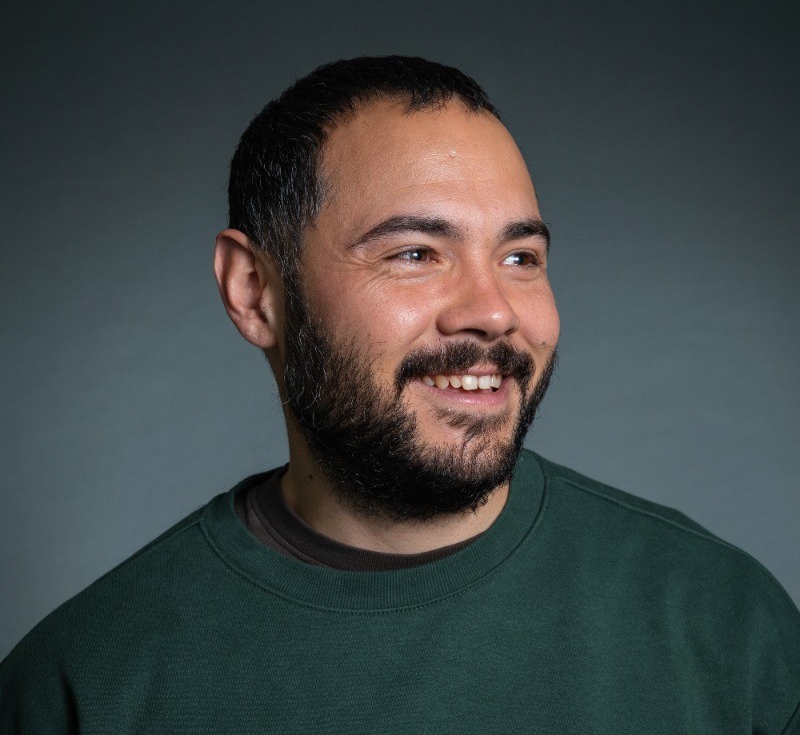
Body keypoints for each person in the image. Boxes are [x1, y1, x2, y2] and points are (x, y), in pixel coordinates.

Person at [1, 56, 798, 733]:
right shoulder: (83, 686)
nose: (494, 312)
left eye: (520, 258)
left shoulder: (725, 625)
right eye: (416, 253)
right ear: (254, 291)